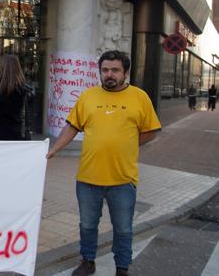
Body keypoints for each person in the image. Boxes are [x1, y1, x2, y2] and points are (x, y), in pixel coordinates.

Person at [46, 50, 161, 276]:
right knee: (88, 225)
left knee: (123, 229)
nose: (109, 74)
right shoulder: (88, 96)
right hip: (88, 178)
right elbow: (72, 126)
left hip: (123, 179)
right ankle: (88, 261)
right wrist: (54, 149)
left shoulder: (139, 97)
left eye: (115, 70)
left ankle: (122, 267)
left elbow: (151, 131)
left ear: (125, 72)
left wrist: (127, 143)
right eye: (105, 70)